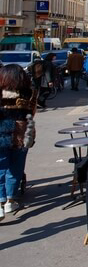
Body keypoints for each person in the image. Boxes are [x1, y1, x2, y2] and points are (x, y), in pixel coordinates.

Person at [0, 64, 34, 218]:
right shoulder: (29, 92)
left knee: (0, 168)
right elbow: (31, 114)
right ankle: (10, 200)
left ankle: (0, 202)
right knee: (16, 167)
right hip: (21, 133)